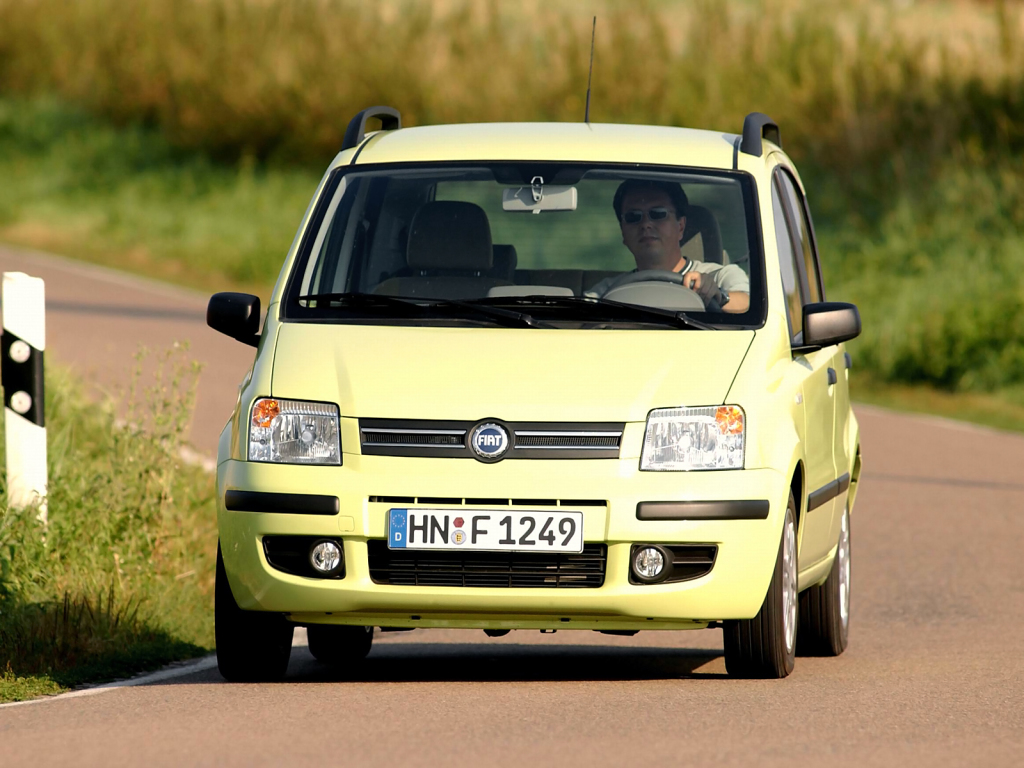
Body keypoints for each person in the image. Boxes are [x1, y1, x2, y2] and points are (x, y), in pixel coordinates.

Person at [589, 180, 750, 313]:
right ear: (623, 233)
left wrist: (718, 295)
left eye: (658, 214)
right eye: (633, 217)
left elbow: (749, 305)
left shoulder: (721, 276)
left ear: (680, 226)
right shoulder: (606, 291)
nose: (645, 224)